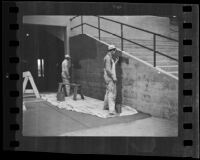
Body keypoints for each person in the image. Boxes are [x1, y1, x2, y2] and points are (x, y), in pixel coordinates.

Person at [103, 45, 119, 115]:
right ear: (112, 50)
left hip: (107, 77)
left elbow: (109, 67)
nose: (115, 52)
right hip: (109, 78)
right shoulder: (108, 58)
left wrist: (115, 62)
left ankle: (105, 106)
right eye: (114, 50)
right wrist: (114, 77)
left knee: (108, 92)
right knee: (111, 93)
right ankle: (111, 111)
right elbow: (108, 70)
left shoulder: (108, 57)